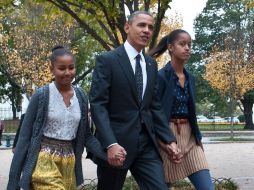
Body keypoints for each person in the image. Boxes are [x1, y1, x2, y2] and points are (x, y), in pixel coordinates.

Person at [89, 11, 182, 190]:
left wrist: (169, 140)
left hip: (146, 145)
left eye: (150, 27)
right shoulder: (107, 60)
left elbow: (154, 107)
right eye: (141, 25)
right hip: (116, 145)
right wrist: (111, 143)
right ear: (127, 27)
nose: (147, 30)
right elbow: (98, 105)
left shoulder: (150, 64)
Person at [7, 46, 107, 190]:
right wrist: (13, 182)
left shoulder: (81, 96)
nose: (67, 72)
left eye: (71, 68)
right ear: (51, 68)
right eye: (62, 68)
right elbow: (24, 138)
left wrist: (107, 154)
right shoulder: (41, 95)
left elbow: (86, 135)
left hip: (69, 163)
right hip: (44, 160)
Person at [149, 29, 214, 190]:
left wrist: (198, 138)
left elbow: (191, 112)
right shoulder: (160, 76)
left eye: (189, 45)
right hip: (166, 137)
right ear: (170, 47)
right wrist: (163, 143)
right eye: (182, 44)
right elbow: (152, 113)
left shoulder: (190, 77)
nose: (187, 48)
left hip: (190, 138)